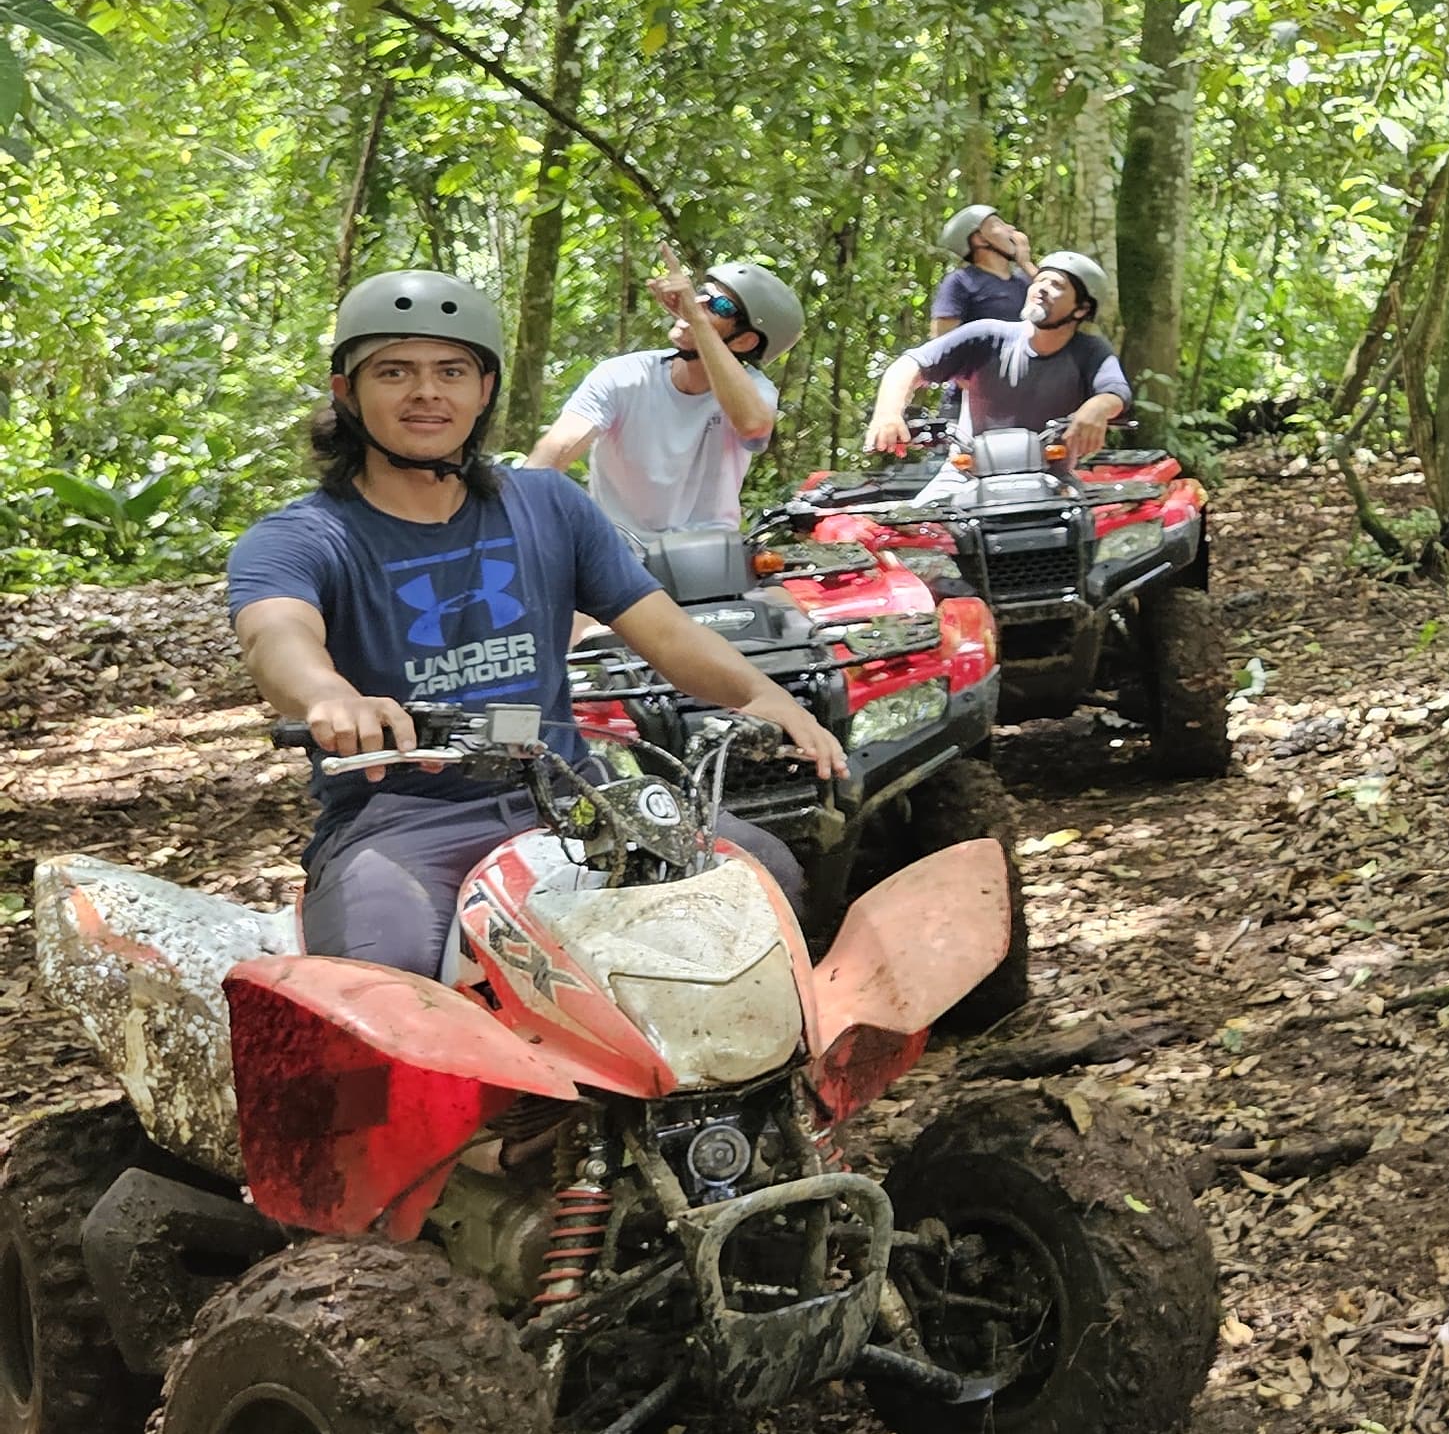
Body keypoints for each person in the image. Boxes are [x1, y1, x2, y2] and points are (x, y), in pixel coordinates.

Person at [229, 269, 849, 979]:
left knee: (762, 877)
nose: (427, 392)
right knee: (385, 972)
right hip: (401, 817)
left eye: (452, 371)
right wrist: (327, 696)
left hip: (568, 795)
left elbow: (665, 632)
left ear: (484, 389)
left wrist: (758, 694)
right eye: (394, 371)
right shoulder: (304, 536)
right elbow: (276, 634)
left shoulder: (549, 505)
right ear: (348, 393)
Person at [528, 259, 803, 550]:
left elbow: (753, 427)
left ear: (745, 341)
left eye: (719, 306)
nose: (694, 305)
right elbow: (552, 455)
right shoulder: (624, 375)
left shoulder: (756, 391)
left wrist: (697, 321)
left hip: (709, 556)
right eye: (700, 294)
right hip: (617, 554)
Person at [865, 248, 1129, 466]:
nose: (1043, 289)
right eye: (1039, 281)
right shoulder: (986, 335)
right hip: (968, 475)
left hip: (1053, 479)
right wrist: (888, 413)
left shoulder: (1090, 350)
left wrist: (1096, 409)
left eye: (1057, 285)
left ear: (1081, 309)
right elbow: (910, 364)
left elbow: (1115, 392)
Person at [932, 204, 1033, 338]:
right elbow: (941, 340)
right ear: (979, 239)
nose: (1011, 229)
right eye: (998, 224)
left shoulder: (1024, 281)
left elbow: (1061, 304)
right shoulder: (961, 281)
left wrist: (1026, 264)